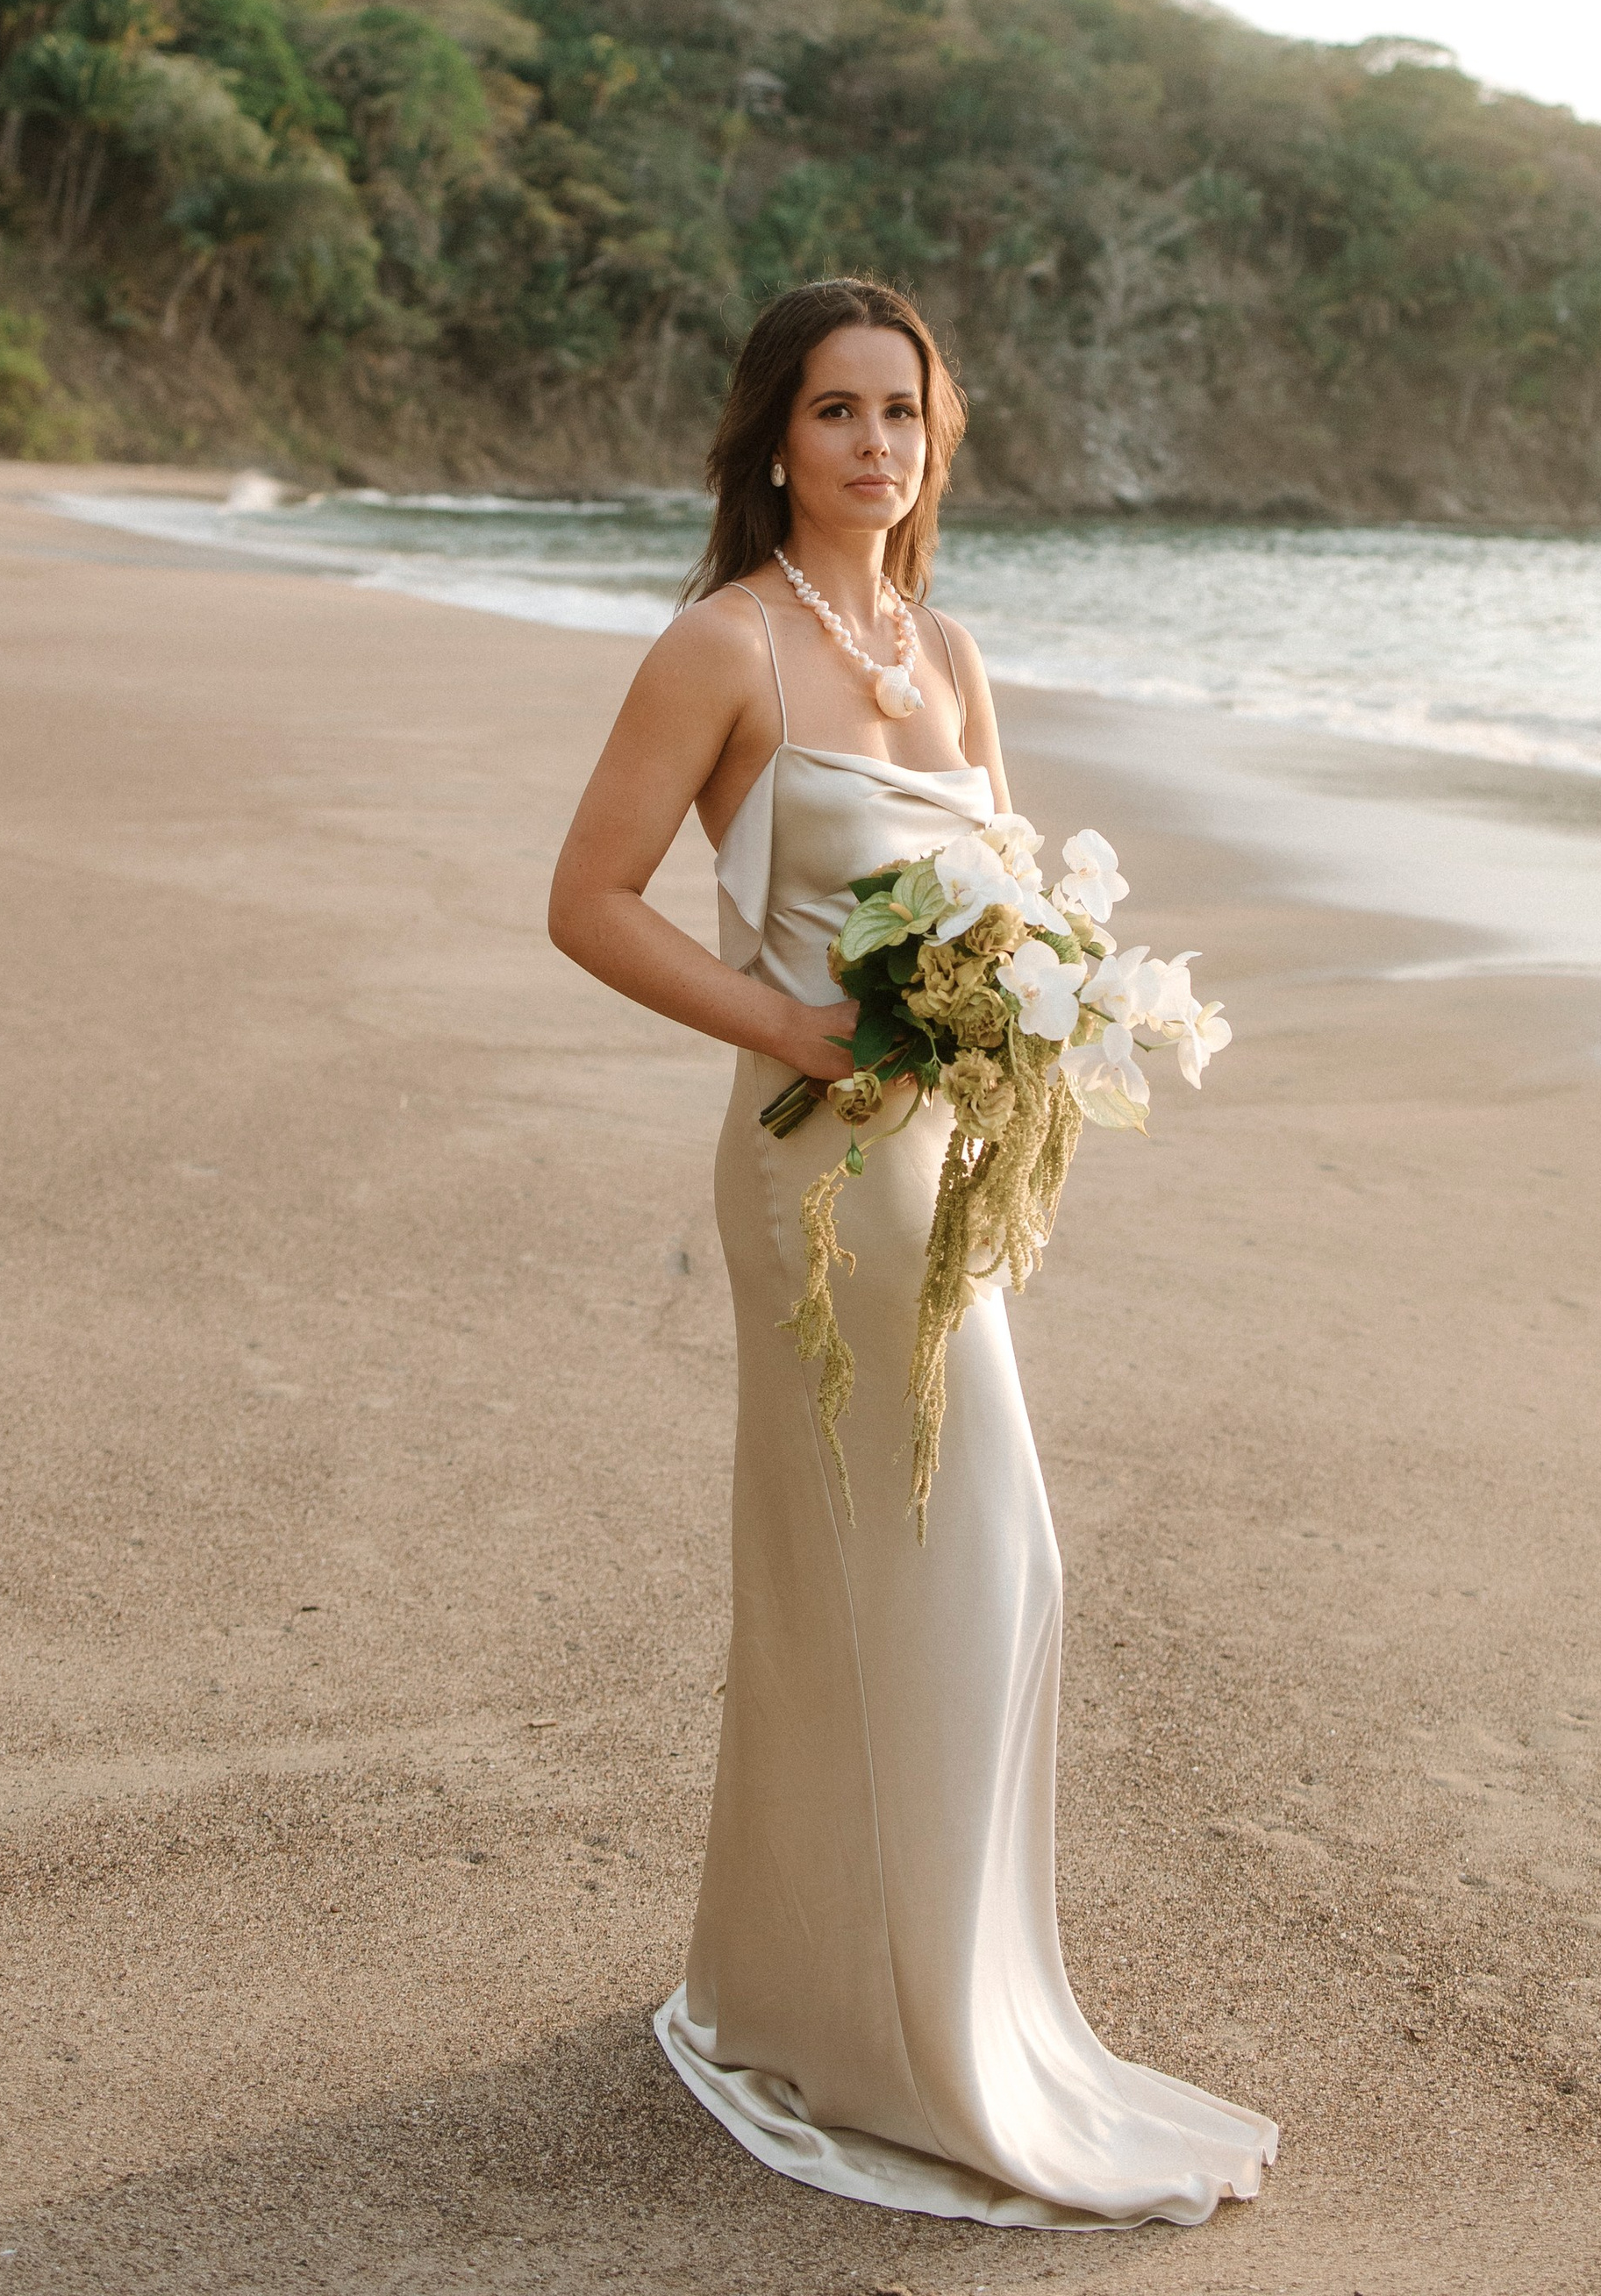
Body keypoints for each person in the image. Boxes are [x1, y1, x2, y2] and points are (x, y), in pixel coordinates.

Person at [547, 275, 1276, 2229]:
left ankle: (851, 1980)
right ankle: (859, 2025)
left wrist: (1047, 1020)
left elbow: (1013, 903)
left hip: (948, 1167)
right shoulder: (718, 647)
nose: (875, 443)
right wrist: (784, 1024)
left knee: (954, 1554)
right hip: (808, 1168)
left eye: (904, 411)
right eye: (836, 411)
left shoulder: (943, 651)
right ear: (771, 439)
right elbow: (586, 901)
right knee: (932, 1548)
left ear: (938, 437)